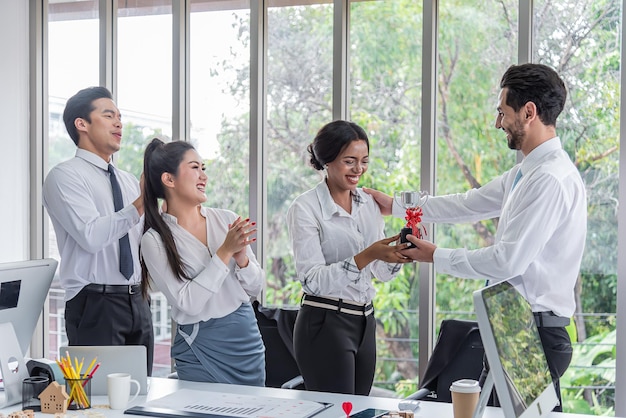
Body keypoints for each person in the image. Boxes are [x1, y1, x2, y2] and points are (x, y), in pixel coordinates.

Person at [365, 63, 586, 410]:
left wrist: (434, 255)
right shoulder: (526, 173)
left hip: (533, 335)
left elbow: (506, 260)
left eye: (502, 112)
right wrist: (395, 206)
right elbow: (470, 204)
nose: (498, 123)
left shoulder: (549, 180)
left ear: (529, 112)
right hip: (514, 328)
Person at [287, 120, 412, 395]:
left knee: (358, 411)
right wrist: (365, 256)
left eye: (364, 161)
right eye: (350, 161)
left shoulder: (368, 203)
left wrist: (399, 255)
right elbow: (312, 280)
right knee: (336, 414)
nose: (359, 169)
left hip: (365, 321)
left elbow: (379, 271)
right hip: (324, 322)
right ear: (327, 160)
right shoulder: (305, 208)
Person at [42, 86, 154, 373]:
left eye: (120, 116)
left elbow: (142, 242)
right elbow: (91, 236)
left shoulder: (129, 181)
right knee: (97, 402)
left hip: (137, 301)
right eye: (108, 115)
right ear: (82, 124)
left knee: (140, 395)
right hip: (94, 303)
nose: (119, 123)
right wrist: (140, 204)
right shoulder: (64, 176)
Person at [140, 138, 266, 385]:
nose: (204, 176)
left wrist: (242, 261)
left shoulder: (226, 219)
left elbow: (256, 287)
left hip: (247, 341)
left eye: (204, 168)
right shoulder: (154, 240)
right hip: (200, 347)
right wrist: (225, 252)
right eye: (195, 167)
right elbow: (188, 302)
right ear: (169, 179)